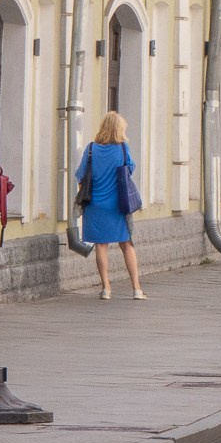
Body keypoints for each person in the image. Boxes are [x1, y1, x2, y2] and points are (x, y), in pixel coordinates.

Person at [77, 111, 145, 301]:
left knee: (101, 245)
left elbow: (80, 174)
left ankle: (106, 288)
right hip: (119, 204)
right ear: (119, 129)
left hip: (95, 205)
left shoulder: (91, 149)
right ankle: (136, 288)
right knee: (127, 244)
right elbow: (130, 169)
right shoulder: (122, 149)